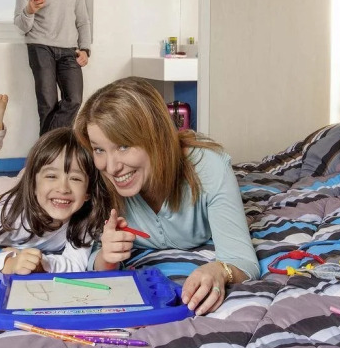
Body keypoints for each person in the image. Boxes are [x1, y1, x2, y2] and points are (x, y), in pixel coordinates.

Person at [73, 77, 260, 316]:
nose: (111, 167)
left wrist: (219, 271)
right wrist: (107, 258)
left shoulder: (209, 167)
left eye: (123, 146)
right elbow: (93, 256)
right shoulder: (101, 178)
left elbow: (242, 260)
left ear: (156, 138)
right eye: (99, 149)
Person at [0, 94, 108, 276]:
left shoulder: (84, 219)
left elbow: (75, 264)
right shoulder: (6, 214)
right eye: (52, 176)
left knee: (46, 174)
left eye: (75, 179)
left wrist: (43, 263)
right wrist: (9, 263)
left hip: (34, 188)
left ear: (88, 191)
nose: (64, 188)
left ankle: (42, 174)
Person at [13, 0, 91, 135]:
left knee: (74, 100)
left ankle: (45, 147)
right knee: (47, 104)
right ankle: (51, 152)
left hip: (69, 49)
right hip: (40, 46)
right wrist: (30, 10)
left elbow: (82, 20)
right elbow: (21, 25)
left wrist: (85, 48)